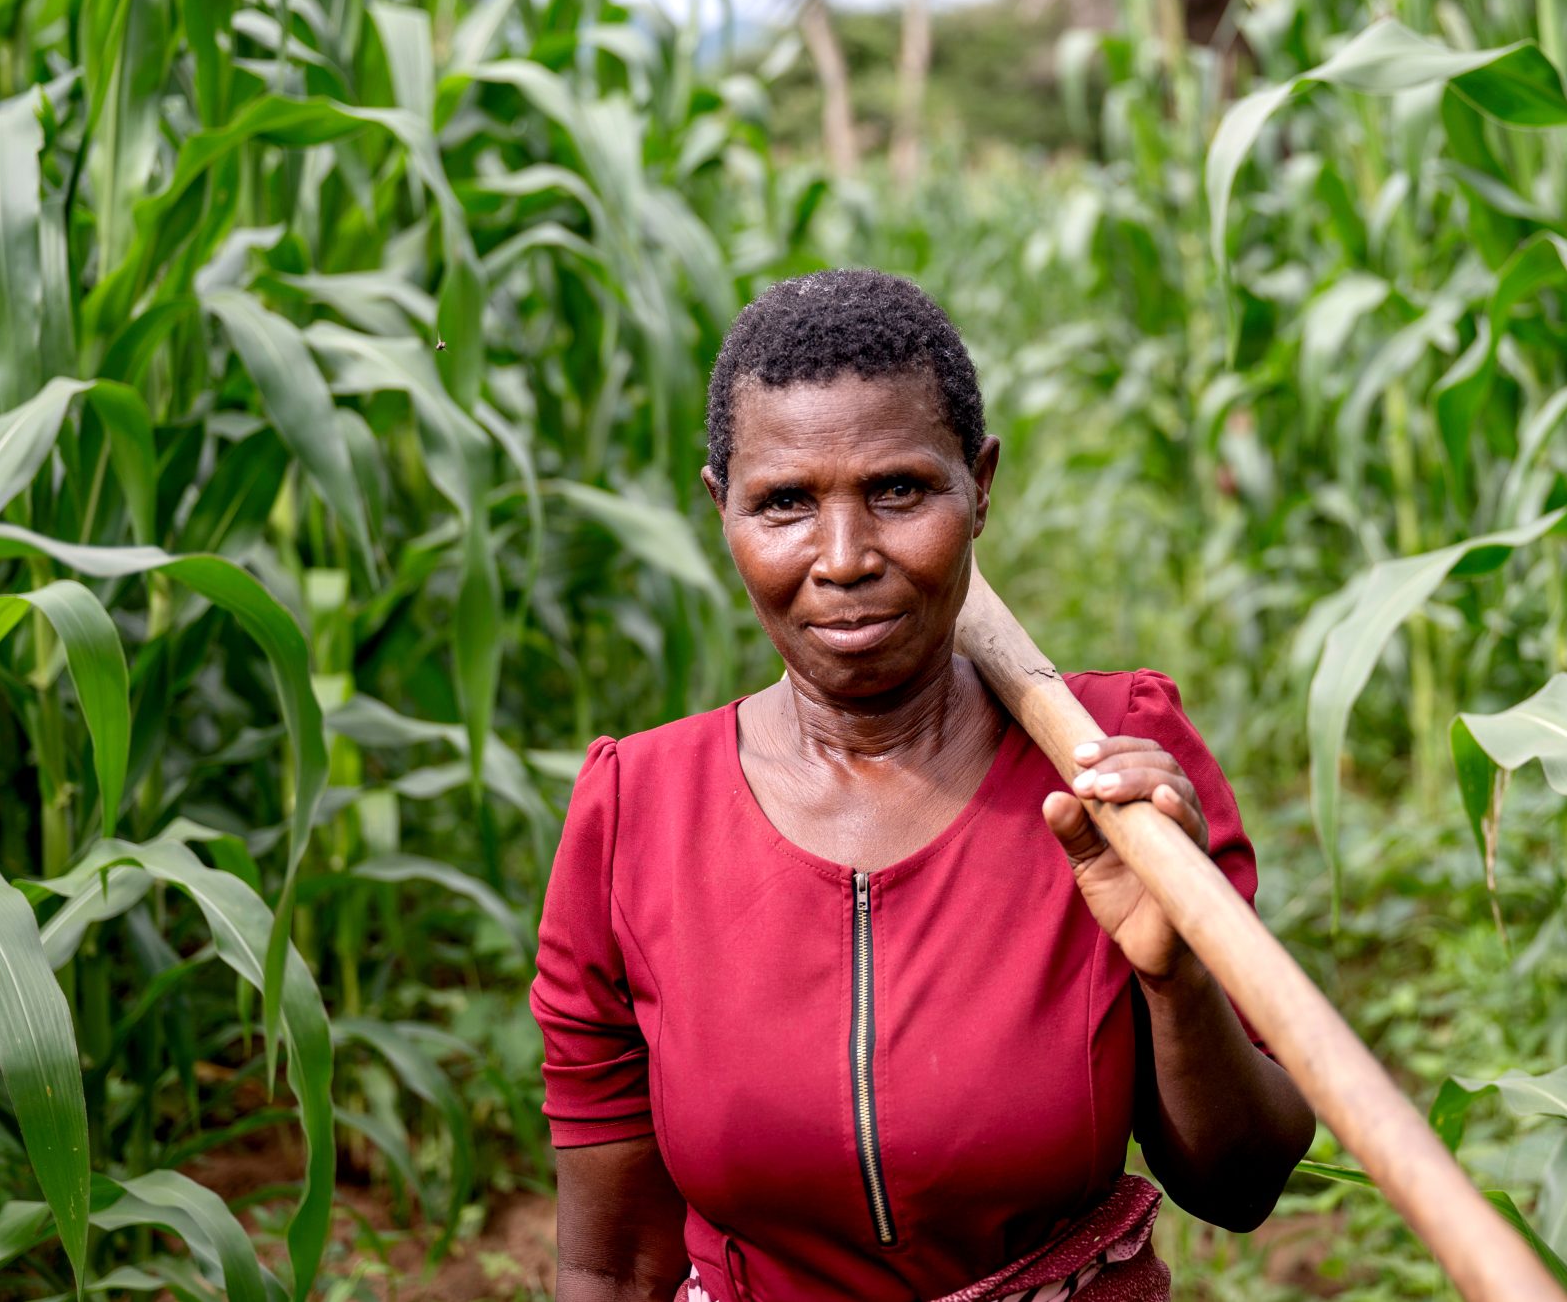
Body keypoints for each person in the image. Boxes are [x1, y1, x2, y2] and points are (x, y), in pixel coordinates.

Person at [534, 270, 1313, 1302]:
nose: (845, 557)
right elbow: (613, 1260)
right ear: (722, 508)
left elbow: (1242, 1182)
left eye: (898, 490)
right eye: (784, 505)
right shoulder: (636, 815)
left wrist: (1177, 978)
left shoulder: (1111, 767)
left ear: (978, 484)